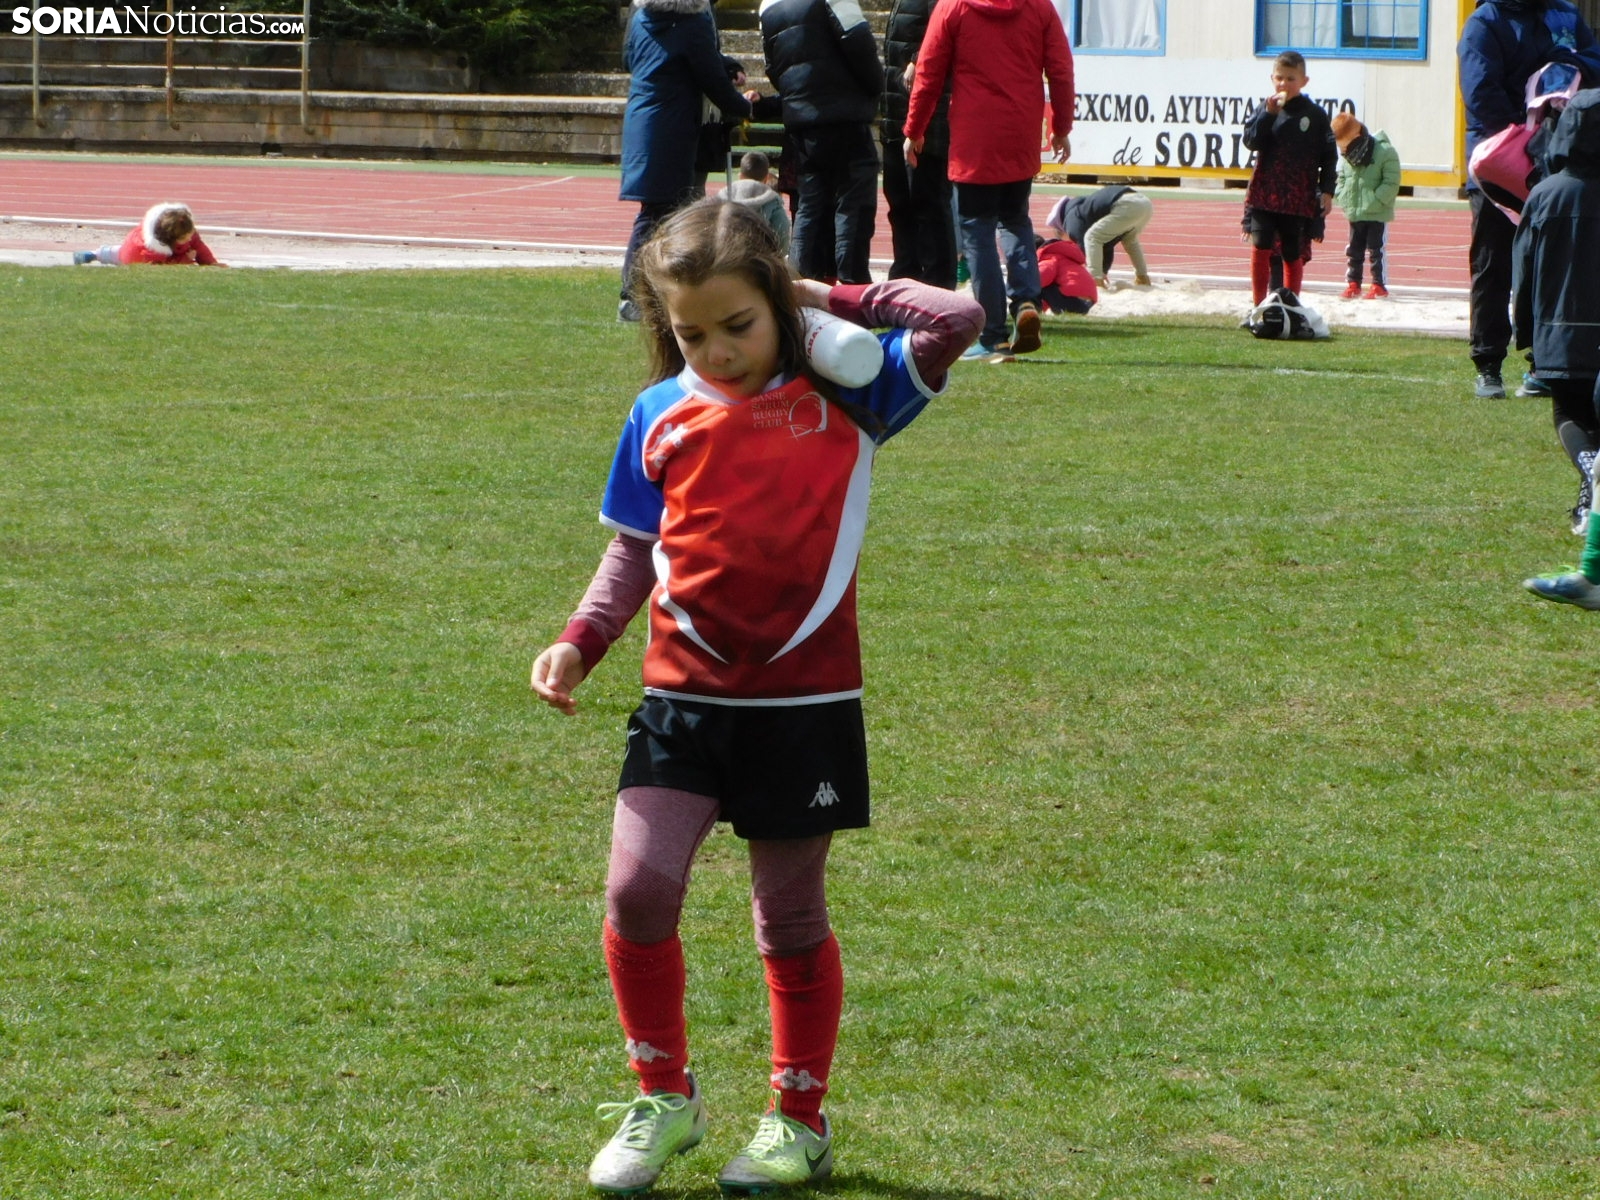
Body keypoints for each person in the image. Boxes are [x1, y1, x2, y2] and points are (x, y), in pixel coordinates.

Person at [529, 198, 982, 1194]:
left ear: (778, 303)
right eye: (692, 332)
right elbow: (634, 552)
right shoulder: (658, 412)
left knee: (788, 917)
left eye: (739, 323)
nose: (718, 350)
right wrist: (579, 640)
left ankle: (797, 1120)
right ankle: (664, 1098)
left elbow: (955, 317)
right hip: (681, 700)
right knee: (636, 892)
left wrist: (830, 295)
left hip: (803, 709)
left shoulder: (855, 395)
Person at [903, 0, 1073, 362]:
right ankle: (1026, 301)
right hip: (1020, 130)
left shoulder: (953, 7)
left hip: (974, 134)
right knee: (1015, 220)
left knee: (977, 231)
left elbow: (928, 73)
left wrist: (914, 129)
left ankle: (993, 335)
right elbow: (1061, 70)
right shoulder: (1039, 7)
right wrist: (1061, 127)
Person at [1459, 0, 1600, 398]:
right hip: (1499, 167)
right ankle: (1488, 364)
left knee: (1550, 266)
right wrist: (1529, 131)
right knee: (1493, 264)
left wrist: (1571, 66)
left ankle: (1545, 363)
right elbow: (1481, 93)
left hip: (1555, 166)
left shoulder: (1565, 14)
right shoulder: (1485, 21)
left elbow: (1594, 62)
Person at [618, 0, 755, 322]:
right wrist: (745, 107)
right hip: (672, 124)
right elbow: (711, 77)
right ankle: (632, 296)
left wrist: (724, 64)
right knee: (658, 214)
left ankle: (649, 293)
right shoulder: (693, 23)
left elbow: (632, 59)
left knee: (659, 211)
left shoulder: (642, 18)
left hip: (643, 119)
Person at [1513, 89, 1600, 547]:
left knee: (1569, 412)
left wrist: (1526, 333)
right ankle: (1591, 497)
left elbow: (1524, 270)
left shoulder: (1546, 194)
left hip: (1561, 330)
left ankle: (1590, 479)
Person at [759, 0, 883, 284]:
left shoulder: (767, 7)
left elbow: (773, 68)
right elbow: (860, 44)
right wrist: (874, 88)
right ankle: (852, 286)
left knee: (810, 207)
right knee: (853, 205)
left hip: (803, 122)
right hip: (846, 116)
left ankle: (799, 284)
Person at [1241, 51, 1336, 307]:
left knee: (1292, 251)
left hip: (1297, 195)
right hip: (1265, 192)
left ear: (1304, 81)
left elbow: (1329, 156)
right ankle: (1258, 306)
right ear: (1272, 78)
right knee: (1261, 246)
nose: (1284, 84)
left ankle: (1291, 306)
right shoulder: (1264, 108)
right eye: (1280, 78)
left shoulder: (1314, 115)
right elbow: (1251, 141)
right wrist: (1268, 114)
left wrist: (1327, 191)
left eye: (1291, 79)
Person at [880, 0, 956, 289]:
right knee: (899, 201)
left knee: (929, 202)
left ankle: (938, 282)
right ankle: (905, 277)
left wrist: (916, 57)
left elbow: (947, 36)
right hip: (896, 116)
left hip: (928, 122)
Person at [1331, 111, 1401, 299]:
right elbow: (1341, 178)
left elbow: (1391, 182)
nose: (1342, 149)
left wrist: (1376, 200)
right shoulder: (1346, 156)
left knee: (1376, 250)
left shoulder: (1385, 151)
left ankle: (1378, 284)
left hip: (1376, 212)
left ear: (1356, 135)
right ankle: (1353, 283)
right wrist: (1343, 197)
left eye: (1344, 144)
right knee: (1354, 250)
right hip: (1355, 211)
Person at [1045, 184, 1154, 289]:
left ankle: (1095, 282)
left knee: (1091, 237)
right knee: (1130, 241)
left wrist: (1096, 273)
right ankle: (1142, 277)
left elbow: (1084, 246)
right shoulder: (1084, 210)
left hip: (1126, 204)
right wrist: (1104, 271)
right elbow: (1107, 247)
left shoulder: (1071, 219)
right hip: (1144, 203)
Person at [72, 202, 224, 266]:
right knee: (119, 255)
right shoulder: (150, 250)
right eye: (185, 238)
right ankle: (94, 254)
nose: (190, 238)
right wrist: (186, 260)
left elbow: (198, 245)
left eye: (191, 233)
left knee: (118, 251)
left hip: (160, 250)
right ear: (170, 238)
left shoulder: (184, 228)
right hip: (133, 255)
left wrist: (210, 262)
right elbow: (164, 267)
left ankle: (96, 253)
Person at [721, 150, 793, 252]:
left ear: (740, 176)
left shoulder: (723, 197)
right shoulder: (772, 201)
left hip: (727, 254)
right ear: (767, 178)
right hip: (761, 255)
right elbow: (782, 231)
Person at [1035, 233, 1097, 315]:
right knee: (1046, 284)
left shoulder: (1048, 257)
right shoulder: (1063, 256)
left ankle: (1033, 310)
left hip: (1073, 300)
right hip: (1087, 302)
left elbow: (1039, 280)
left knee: (1035, 284)